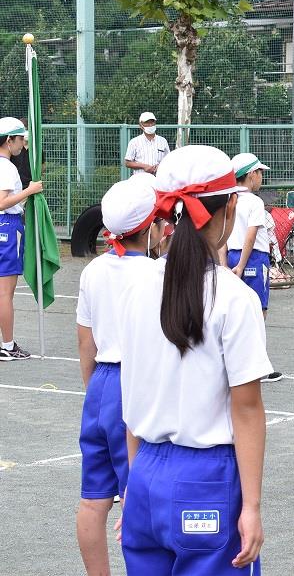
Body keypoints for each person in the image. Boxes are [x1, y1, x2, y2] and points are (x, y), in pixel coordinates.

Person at [118, 144, 273, 574]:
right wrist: (252, 505)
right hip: (206, 480)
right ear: (230, 207)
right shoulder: (233, 297)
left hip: (146, 469)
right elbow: (246, 408)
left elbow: (131, 395)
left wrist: (135, 483)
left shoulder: (137, 290)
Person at [75, 175, 162, 575]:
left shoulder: (94, 270)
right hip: (139, 384)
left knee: (94, 498)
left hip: (102, 386)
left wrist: (95, 395)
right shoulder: (156, 274)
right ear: (150, 228)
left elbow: (85, 343)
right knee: (137, 495)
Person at [226, 153, 283, 382]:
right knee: (259, 311)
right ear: (251, 175)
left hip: (230, 256)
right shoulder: (254, 202)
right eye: (260, 173)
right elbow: (251, 235)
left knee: (233, 311)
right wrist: (242, 265)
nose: (261, 178)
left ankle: (235, 362)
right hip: (253, 260)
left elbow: (224, 233)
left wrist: (226, 264)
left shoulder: (228, 199)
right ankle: (258, 367)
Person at [0, 117, 42, 362]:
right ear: (9, 140)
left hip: (5, 225)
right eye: (19, 139)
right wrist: (30, 190)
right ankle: (7, 345)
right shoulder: (6, 166)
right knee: (6, 292)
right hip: (7, 227)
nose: (21, 144)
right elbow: (3, 202)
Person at [124, 111, 170, 177]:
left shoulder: (163, 141)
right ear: (140, 125)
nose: (150, 125)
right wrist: (143, 166)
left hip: (159, 179)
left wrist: (159, 167)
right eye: (147, 122)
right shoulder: (134, 142)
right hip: (140, 179)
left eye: (152, 122)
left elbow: (168, 160)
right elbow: (127, 163)